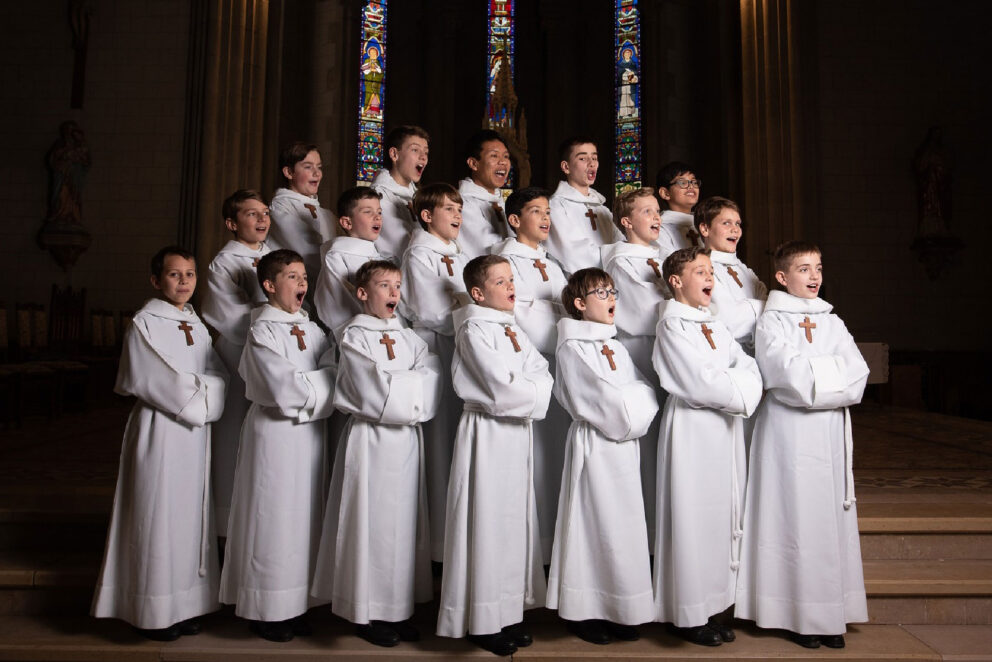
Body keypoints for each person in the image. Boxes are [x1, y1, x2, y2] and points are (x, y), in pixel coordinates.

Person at [735, 241, 870, 650]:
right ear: (781, 277)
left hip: (827, 434)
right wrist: (831, 378)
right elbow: (786, 377)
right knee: (794, 517)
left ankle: (830, 613)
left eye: (818, 268)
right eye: (804, 269)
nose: (814, 277)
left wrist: (821, 379)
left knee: (825, 521)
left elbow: (858, 373)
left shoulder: (831, 320)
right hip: (788, 434)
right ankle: (794, 614)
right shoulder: (771, 322)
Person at [92, 246, 227, 641]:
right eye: (174, 275)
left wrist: (204, 393)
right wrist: (202, 395)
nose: (184, 282)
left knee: (187, 518)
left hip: (194, 431)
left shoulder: (196, 323)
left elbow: (218, 373)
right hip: (159, 427)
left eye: (189, 274)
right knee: (156, 515)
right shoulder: (144, 323)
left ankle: (184, 605)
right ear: (156, 280)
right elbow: (148, 377)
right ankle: (151, 610)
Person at [311, 260, 441, 648]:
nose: (394, 293)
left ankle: (397, 607)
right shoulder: (353, 335)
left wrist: (402, 388)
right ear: (363, 293)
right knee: (371, 525)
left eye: (397, 285)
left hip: (406, 441)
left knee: (402, 526)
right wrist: (409, 389)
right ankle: (367, 611)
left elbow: (430, 374)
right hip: (370, 441)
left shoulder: (408, 336)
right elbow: (369, 387)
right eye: (384, 286)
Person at [437, 255, 552, 657]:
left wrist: (528, 387)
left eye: (511, 280)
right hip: (486, 433)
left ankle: (508, 610)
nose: (510, 288)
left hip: (517, 432)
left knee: (513, 522)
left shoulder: (511, 328)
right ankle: (482, 620)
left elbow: (542, 373)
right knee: (486, 522)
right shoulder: (473, 330)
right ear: (477, 293)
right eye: (500, 282)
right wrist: (528, 388)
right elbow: (500, 387)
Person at [219, 249, 337, 643]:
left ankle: (298, 602)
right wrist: (318, 387)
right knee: (272, 517)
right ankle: (267, 608)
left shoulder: (314, 329)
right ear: (269, 285)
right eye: (291, 276)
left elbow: (337, 374)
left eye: (304, 276)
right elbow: (280, 387)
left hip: (310, 435)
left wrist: (315, 387)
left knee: (305, 518)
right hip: (274, 435)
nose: (302, 283)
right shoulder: (262, 330)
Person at [652, 247, 762, 646]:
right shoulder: (672, 325)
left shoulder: (712, 323)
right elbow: (696, 380)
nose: (710, 277)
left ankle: (712, 605)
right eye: (701, 271)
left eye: (711, 271)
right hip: (693, 430)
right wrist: (736, 388)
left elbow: (748, 368)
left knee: (720, 515)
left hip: (724, 429)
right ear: (677, 282)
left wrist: (735, 385)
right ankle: (686, 613)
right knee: (692, 517)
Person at [547, 268, 657, 645]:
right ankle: (585, 611)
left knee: (624, 527)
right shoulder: (573, 347)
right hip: (594, 447)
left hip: (625, 449)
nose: (611, 299)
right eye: (601, 293)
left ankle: (622, 607)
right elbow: (602, 401)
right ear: (579, 304)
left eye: (613, 292)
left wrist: (631, 405)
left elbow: (645, 391)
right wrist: (631, 406)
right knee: (593, 524)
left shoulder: (614, 344)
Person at [491, 186, 569, 562]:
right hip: (531, 365)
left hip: (559, 363)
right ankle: (531, 550)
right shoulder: (506, 262)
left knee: (555, 457)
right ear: (515, 220)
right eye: (536, 211)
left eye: (548, 212)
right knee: (534, 460)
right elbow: (517, 313)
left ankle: (554, 542)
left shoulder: (551, 263)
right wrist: (558, 324)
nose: (545, 218)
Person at [399, 182, 471, 562]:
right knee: (440, 440)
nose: (458, 216)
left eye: (459, 208)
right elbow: (428, 310)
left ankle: (455, 537)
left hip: (461, 344)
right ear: (427, 216)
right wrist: (471, 315)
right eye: (449, 209)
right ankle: (437, 546)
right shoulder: (419, 254)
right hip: (436, 349)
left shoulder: (458, 252)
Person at [600, 187, 669, 545]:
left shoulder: (660, 257)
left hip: (668, 351)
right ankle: (646, 531)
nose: (656, 217)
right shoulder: (621, 261)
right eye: (647, 212)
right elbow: (644, 311)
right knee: (648, 439)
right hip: (641, 351)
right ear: (626, 222)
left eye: (657, 211)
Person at [201, 190, 271, 536]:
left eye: (265, 213)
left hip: (273, 356)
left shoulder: (273, 256)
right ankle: (227, 527)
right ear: (232, 223)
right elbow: (228, 316)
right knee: (234, 436)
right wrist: (270, 317)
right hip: (239, 353)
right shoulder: (224, 262)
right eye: (251, 214)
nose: (262, 220)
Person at [694, 196, 767, 354]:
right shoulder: (700, 269)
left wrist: (749, 309)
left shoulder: (744, 270)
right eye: (726, 223)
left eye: (738, 224)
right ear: (705, 229)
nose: (735, 229)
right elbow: (730, 321)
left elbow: (771, 319)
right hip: (728, 355)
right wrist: (763, 306)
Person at [268, 142, 336, 307]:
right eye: (308, 167)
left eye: (319, 167)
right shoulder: (280, 207)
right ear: (289, 172)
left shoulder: (326, 214)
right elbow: (304, 250)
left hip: (324, 291)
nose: (316, 173)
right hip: (295, 294)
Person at [313, 186, 386, 337]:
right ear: (347, 223)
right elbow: (335, 303)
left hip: (383, 330)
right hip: (355, 334)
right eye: (368, 212)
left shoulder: (379, 256)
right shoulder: (337, 255)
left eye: (379, 212)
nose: (377, 217)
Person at [548, 137, 623, 273]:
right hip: (579, 283)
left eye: (594, 158)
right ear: (566, 167)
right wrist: (613, 258)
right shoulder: (556, 206)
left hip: (609, 282)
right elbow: (570, 252)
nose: (591, 164)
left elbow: (621, 242)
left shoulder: (602, 209)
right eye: (583, 159)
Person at [371, 125, 430, 259]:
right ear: (394, 154)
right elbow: (399, 246)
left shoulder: (420, 196)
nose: (423, 157)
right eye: (415, 150)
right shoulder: (378, 197)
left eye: (426, 152)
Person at [457, 130, 511, 258]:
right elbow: (487, 248)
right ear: (474, 163)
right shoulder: (462, 203)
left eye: (506, 156)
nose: (503, 162)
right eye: (494, 156)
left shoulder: (500, 201)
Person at [655, 161, 701, 263]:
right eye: (682, 183)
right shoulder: (659, 229)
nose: (691, 187)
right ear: (665, 193)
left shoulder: (704, 225)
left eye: (694, 182)